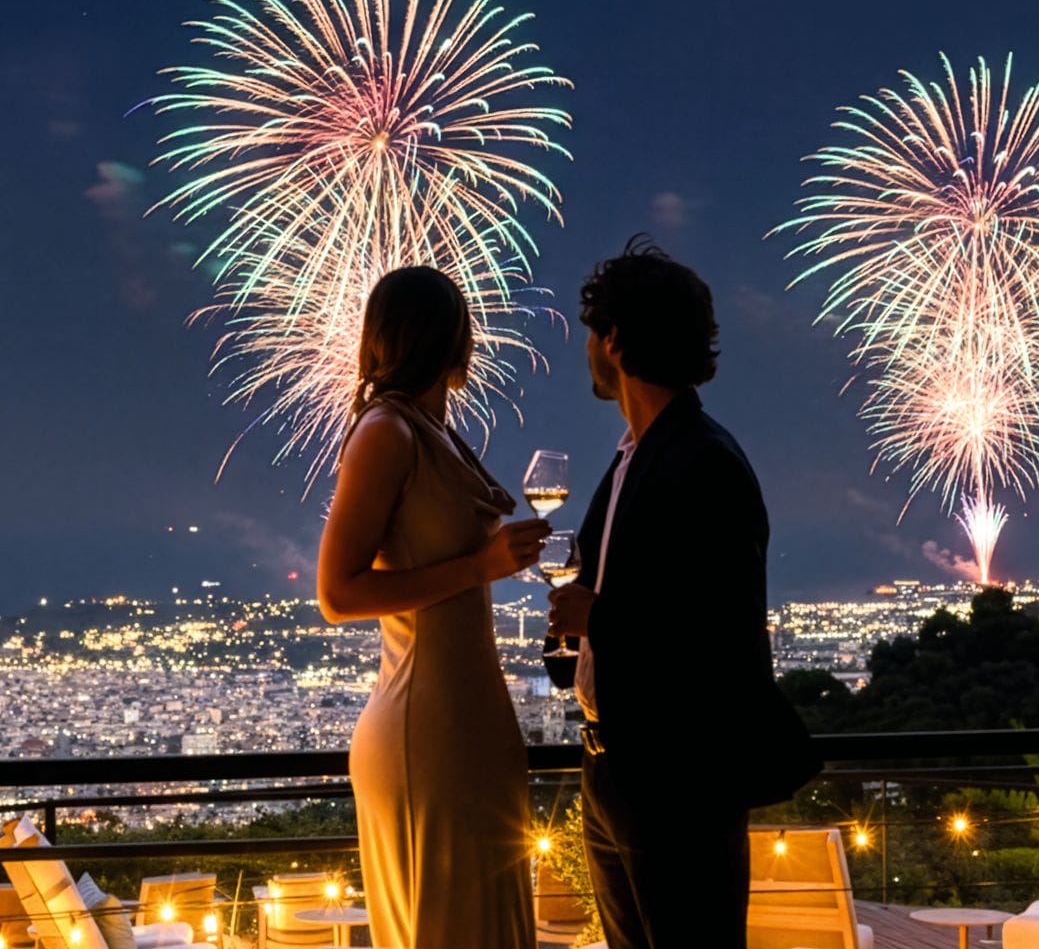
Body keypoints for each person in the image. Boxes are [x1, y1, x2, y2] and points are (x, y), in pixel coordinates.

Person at [546, 239, 820, 948]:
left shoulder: (703, 461)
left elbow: (717, 633)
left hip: (677, 782)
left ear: (613, 339)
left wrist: (595, 618)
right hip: (611, 765)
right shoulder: (638, 456)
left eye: (590, 334)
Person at [317, 267, 548, 949]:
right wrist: (481, 566)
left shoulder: (433, 431)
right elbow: (338, 593)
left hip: (471, 721)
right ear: (455, 342)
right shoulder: (386, 433)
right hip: (428, 729)